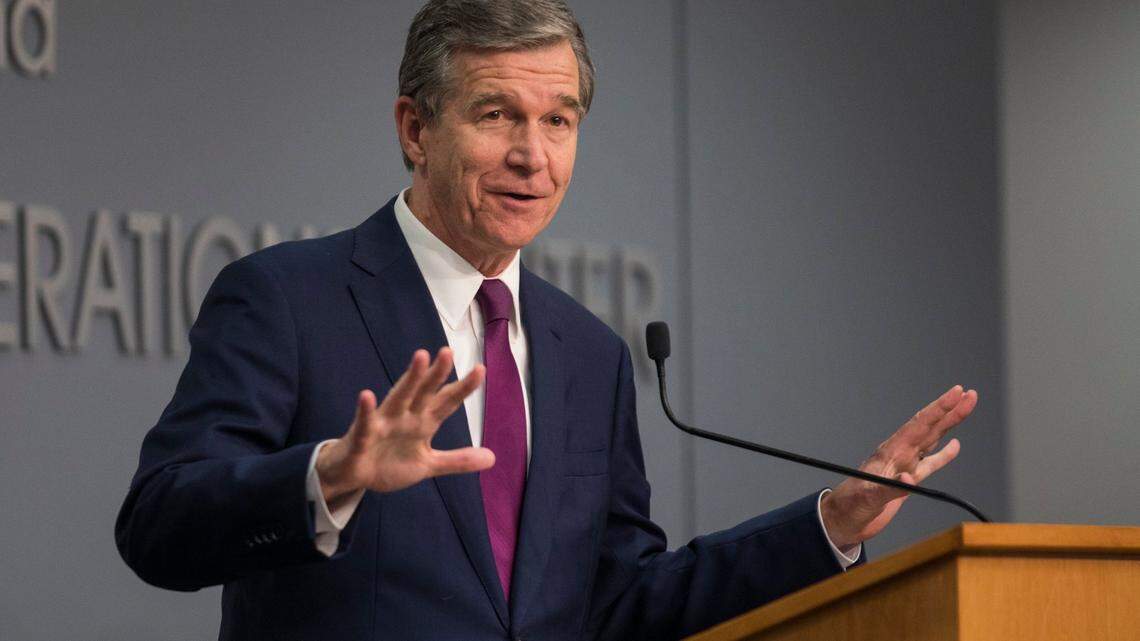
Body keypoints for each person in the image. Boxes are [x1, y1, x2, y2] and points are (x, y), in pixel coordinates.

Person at [115, 1, 978, 639]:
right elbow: (157, 526)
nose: (534, 154)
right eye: (497, 115)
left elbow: (623, 599)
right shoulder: (287, 297)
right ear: (416, 129)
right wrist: (329, 475)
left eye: (558, 120)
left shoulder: (587, 354)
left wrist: (829, 522)